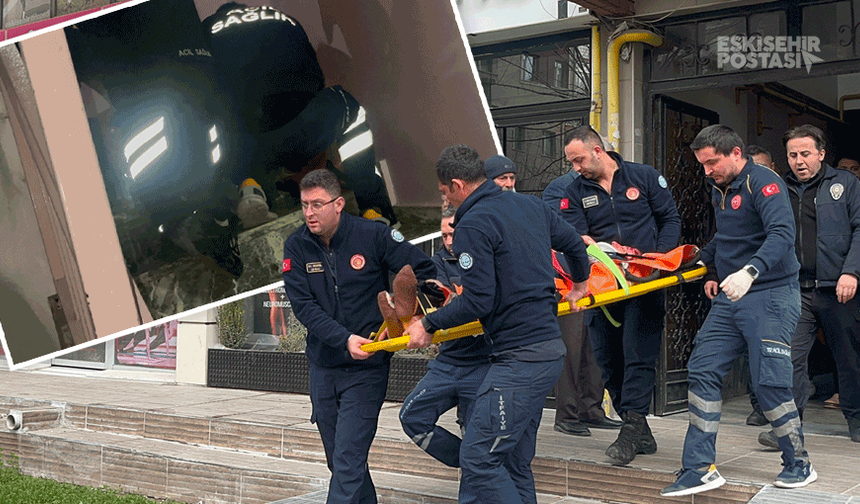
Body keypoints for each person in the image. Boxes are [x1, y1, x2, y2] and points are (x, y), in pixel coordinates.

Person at [404, 144, 591, 504]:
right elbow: (574, 244)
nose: (447, 202)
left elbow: (478, 301)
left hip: (520, 360)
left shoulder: (472, 223)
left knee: (478, 459)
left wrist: (429, 323)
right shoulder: (529, 204)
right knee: (514, 462)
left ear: (457, 184)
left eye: (445, 194)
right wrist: (579, 284)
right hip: (545, 351)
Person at [661, 124, 815, 497]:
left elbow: (781, 234)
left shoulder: (764, 183)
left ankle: (799, 463)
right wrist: (695, 259)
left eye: (711, 162)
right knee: (702, 367)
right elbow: (727, 237)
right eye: (701, 164)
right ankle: (700, 467)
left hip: (771, 293)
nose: (706, 171)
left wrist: (750, 271)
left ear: (735, 153)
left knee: (769, 381)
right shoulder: (721, 187)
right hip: (733, 298)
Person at [281, 169, 435, 504]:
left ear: (338, 204)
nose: (309, 212)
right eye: (304, 205)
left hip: (367, 370)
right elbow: (304, 307)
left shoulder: (374, 235)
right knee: (339, 461)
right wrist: (343, 339)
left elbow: (424, 269)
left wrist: (420, 317)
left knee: (348, 461)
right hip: (324, 365)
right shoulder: (296, 246)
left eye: (317, 204)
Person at [203, 3, 399, 229]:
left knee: (216, 116)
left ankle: (248, 186)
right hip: (302, 125)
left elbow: (204, 86)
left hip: (246, 144)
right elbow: (315, 78)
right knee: (349, 107)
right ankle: (375, 209)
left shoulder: (207, 29)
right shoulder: (282, 16)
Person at [560, 125, 681, 465]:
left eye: (579, 159)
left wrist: (658, 259)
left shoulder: (643, 177)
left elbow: (669, 218)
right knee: (609, 360)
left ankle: (630, 431)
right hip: (603, 289)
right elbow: (573, 238)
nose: (576, 167)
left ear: (597, 150)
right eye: (572, 162)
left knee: (638, 355)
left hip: (644, 283)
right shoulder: (573, 192)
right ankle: (640, 430)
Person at [754, 125, 859, 447]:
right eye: (793, 155)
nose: (799, 161)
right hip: (794, 289)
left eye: (806, 154)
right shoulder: (777, 188)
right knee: (787, 358)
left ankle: (856, 420)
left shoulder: (846, 183)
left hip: (838, 288)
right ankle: (788, 427)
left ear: (821, 154)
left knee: (850, 358)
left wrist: (852, 272)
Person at [399, 208, 492, 504]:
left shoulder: (486, 257)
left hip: (484, 364)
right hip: (447, 363)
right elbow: (435, 297)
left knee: (477, 439)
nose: (449, 239)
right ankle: (466, 459)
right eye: (445, 235)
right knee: (411, 416)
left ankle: (475, 468)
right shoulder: (434, 265)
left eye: (454, 233)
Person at [542, 168, 621, 436]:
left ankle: (592, 409)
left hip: (597, 278)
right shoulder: (560, 187)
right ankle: (568, 414)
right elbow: (558, 234)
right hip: (567, 282)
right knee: (571, 350)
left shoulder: (606, 189)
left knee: (594, 349)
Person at [430, 206, 460, 287]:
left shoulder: (481, 254)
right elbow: (446, 296)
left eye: (452, 234)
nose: (448, 242)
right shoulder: (437, 262)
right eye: (444, 236)